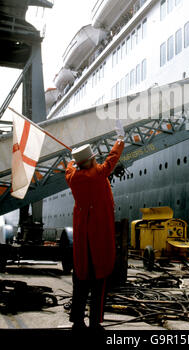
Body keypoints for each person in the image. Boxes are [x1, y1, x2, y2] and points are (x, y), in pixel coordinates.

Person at [65, 120, 125, 331]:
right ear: (90, 161)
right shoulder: (98, 174)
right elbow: (112, 159)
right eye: (93, 158)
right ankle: (94, 323)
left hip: (82, 242)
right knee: (99, 282)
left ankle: (77, 321)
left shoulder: (73, 178)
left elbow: (69, 169)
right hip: (98, 239)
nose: (96, 160)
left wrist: (71, 161)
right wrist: (120, 140)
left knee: (80, 282)